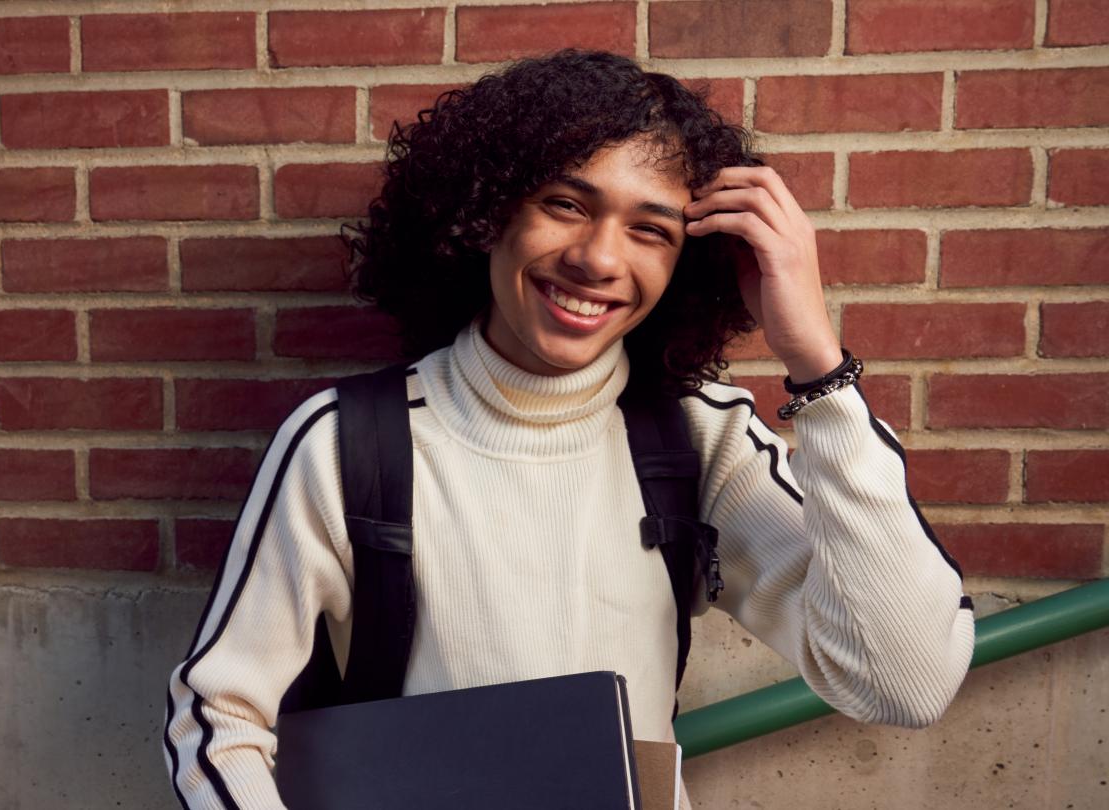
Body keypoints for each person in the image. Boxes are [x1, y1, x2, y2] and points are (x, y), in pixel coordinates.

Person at [162, 49, 974, 809]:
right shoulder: (347, 442)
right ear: (486, 213)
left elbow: (903, 683)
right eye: (565, 204)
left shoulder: (701, 441)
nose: (598, 258)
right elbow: (217, 714)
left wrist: (818, 370)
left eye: (650, 229)